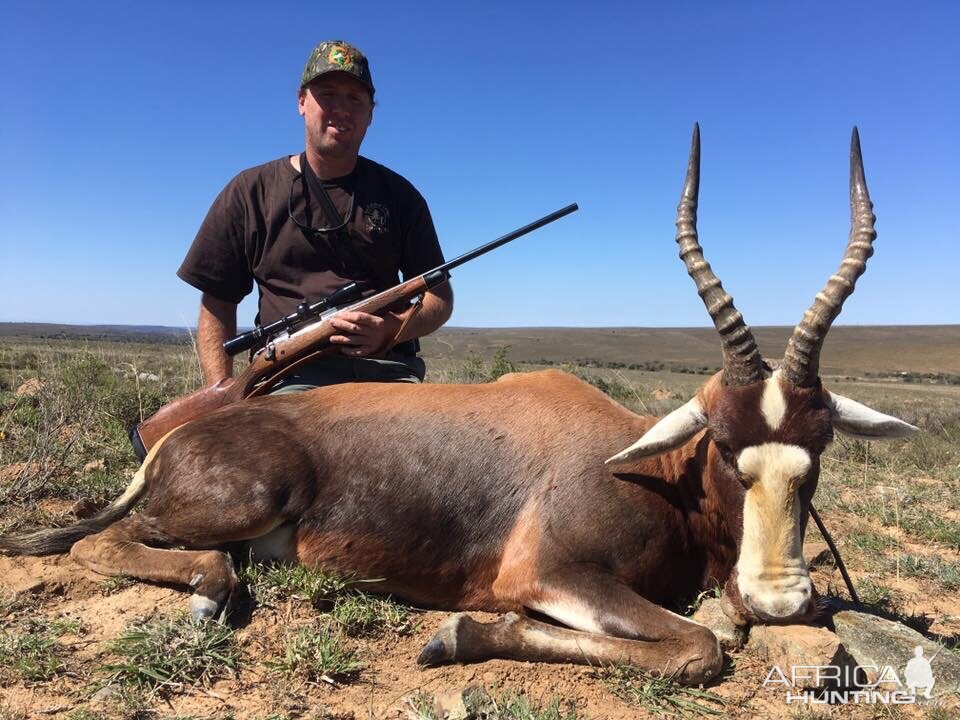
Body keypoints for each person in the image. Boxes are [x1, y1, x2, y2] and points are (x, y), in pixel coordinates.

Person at [177, 40, 453, 392]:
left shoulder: (402, 196)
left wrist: (391, 329)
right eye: (327, 94)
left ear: (371, 113)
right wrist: (221, 391)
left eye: (355, 98)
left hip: (387, 373)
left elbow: (440, 297)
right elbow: (217, 301)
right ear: (302, 102)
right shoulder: (249, 191)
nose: (342, 109)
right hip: (289, 376)